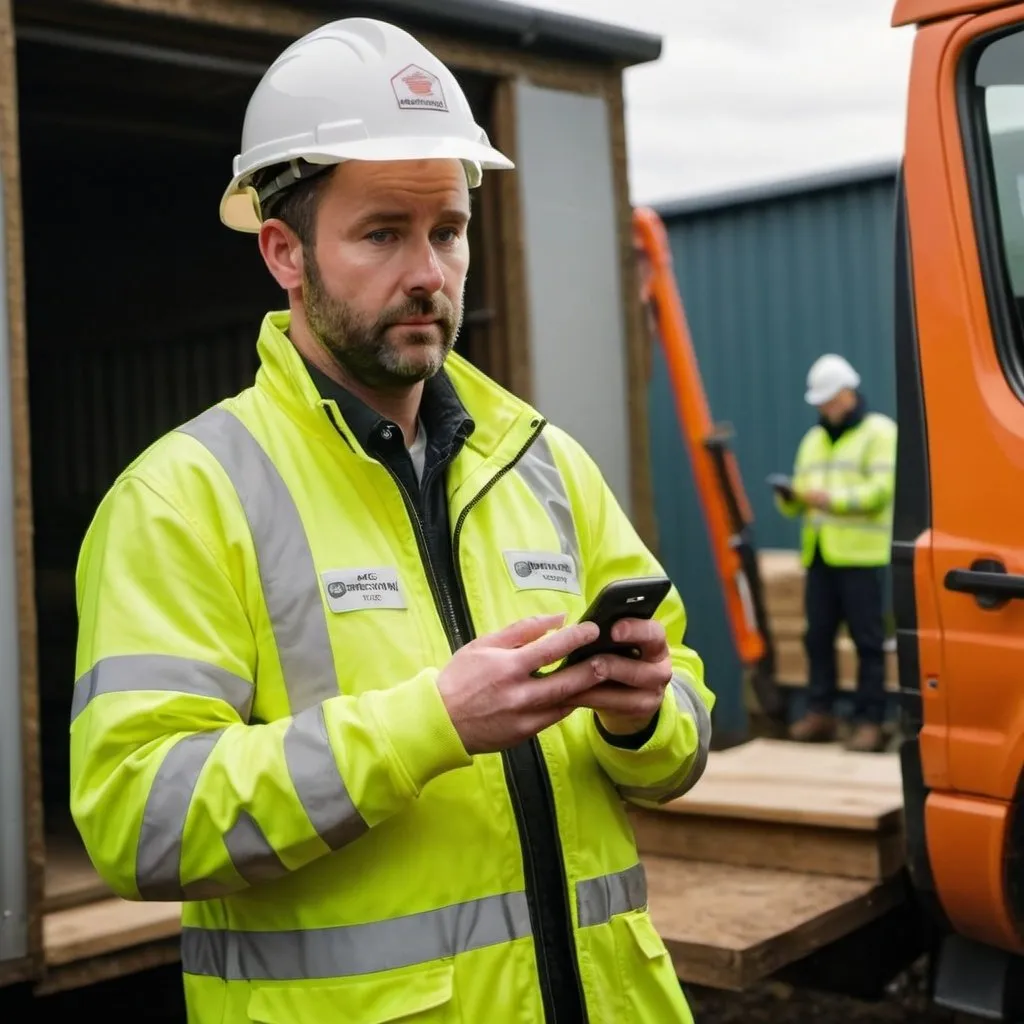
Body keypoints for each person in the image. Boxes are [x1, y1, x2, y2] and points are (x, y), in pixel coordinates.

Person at [68, 18, 714, 1024]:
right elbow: (140, 822)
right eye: (382, 233)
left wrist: (640, 716)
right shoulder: (183, 496)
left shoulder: (544, 464)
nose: (429, 272)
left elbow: (684, 728)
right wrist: (433, 722)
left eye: (447, 232)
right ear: (283, 253)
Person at [772, 353, 896, 753]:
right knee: (818, 638)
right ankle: (821, 712)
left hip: (863, 558)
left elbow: (880, 493)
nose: (825, 408)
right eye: (821, 402)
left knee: (868, 643)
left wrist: (829, 500)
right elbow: (801, 498)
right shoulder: (813, 440)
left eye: (829, 399)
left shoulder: (880, 434)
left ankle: (870, 721)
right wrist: (790, 499)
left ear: (848, 393)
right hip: (822, 556)